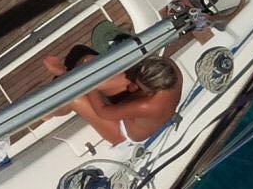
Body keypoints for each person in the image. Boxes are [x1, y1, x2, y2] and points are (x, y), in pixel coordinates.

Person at [43, 46, 182, 145]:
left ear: (150, 91)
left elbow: (103, 112)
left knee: (74, 97)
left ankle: (49, 112)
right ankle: (72, 82)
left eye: (138, 84)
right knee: (88, 61)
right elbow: (133, 82)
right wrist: (88, 77)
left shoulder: (147, 106)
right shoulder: (169, 69)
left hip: (123, 130)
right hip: (133, 101)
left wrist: (64, 73)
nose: (132, 85)